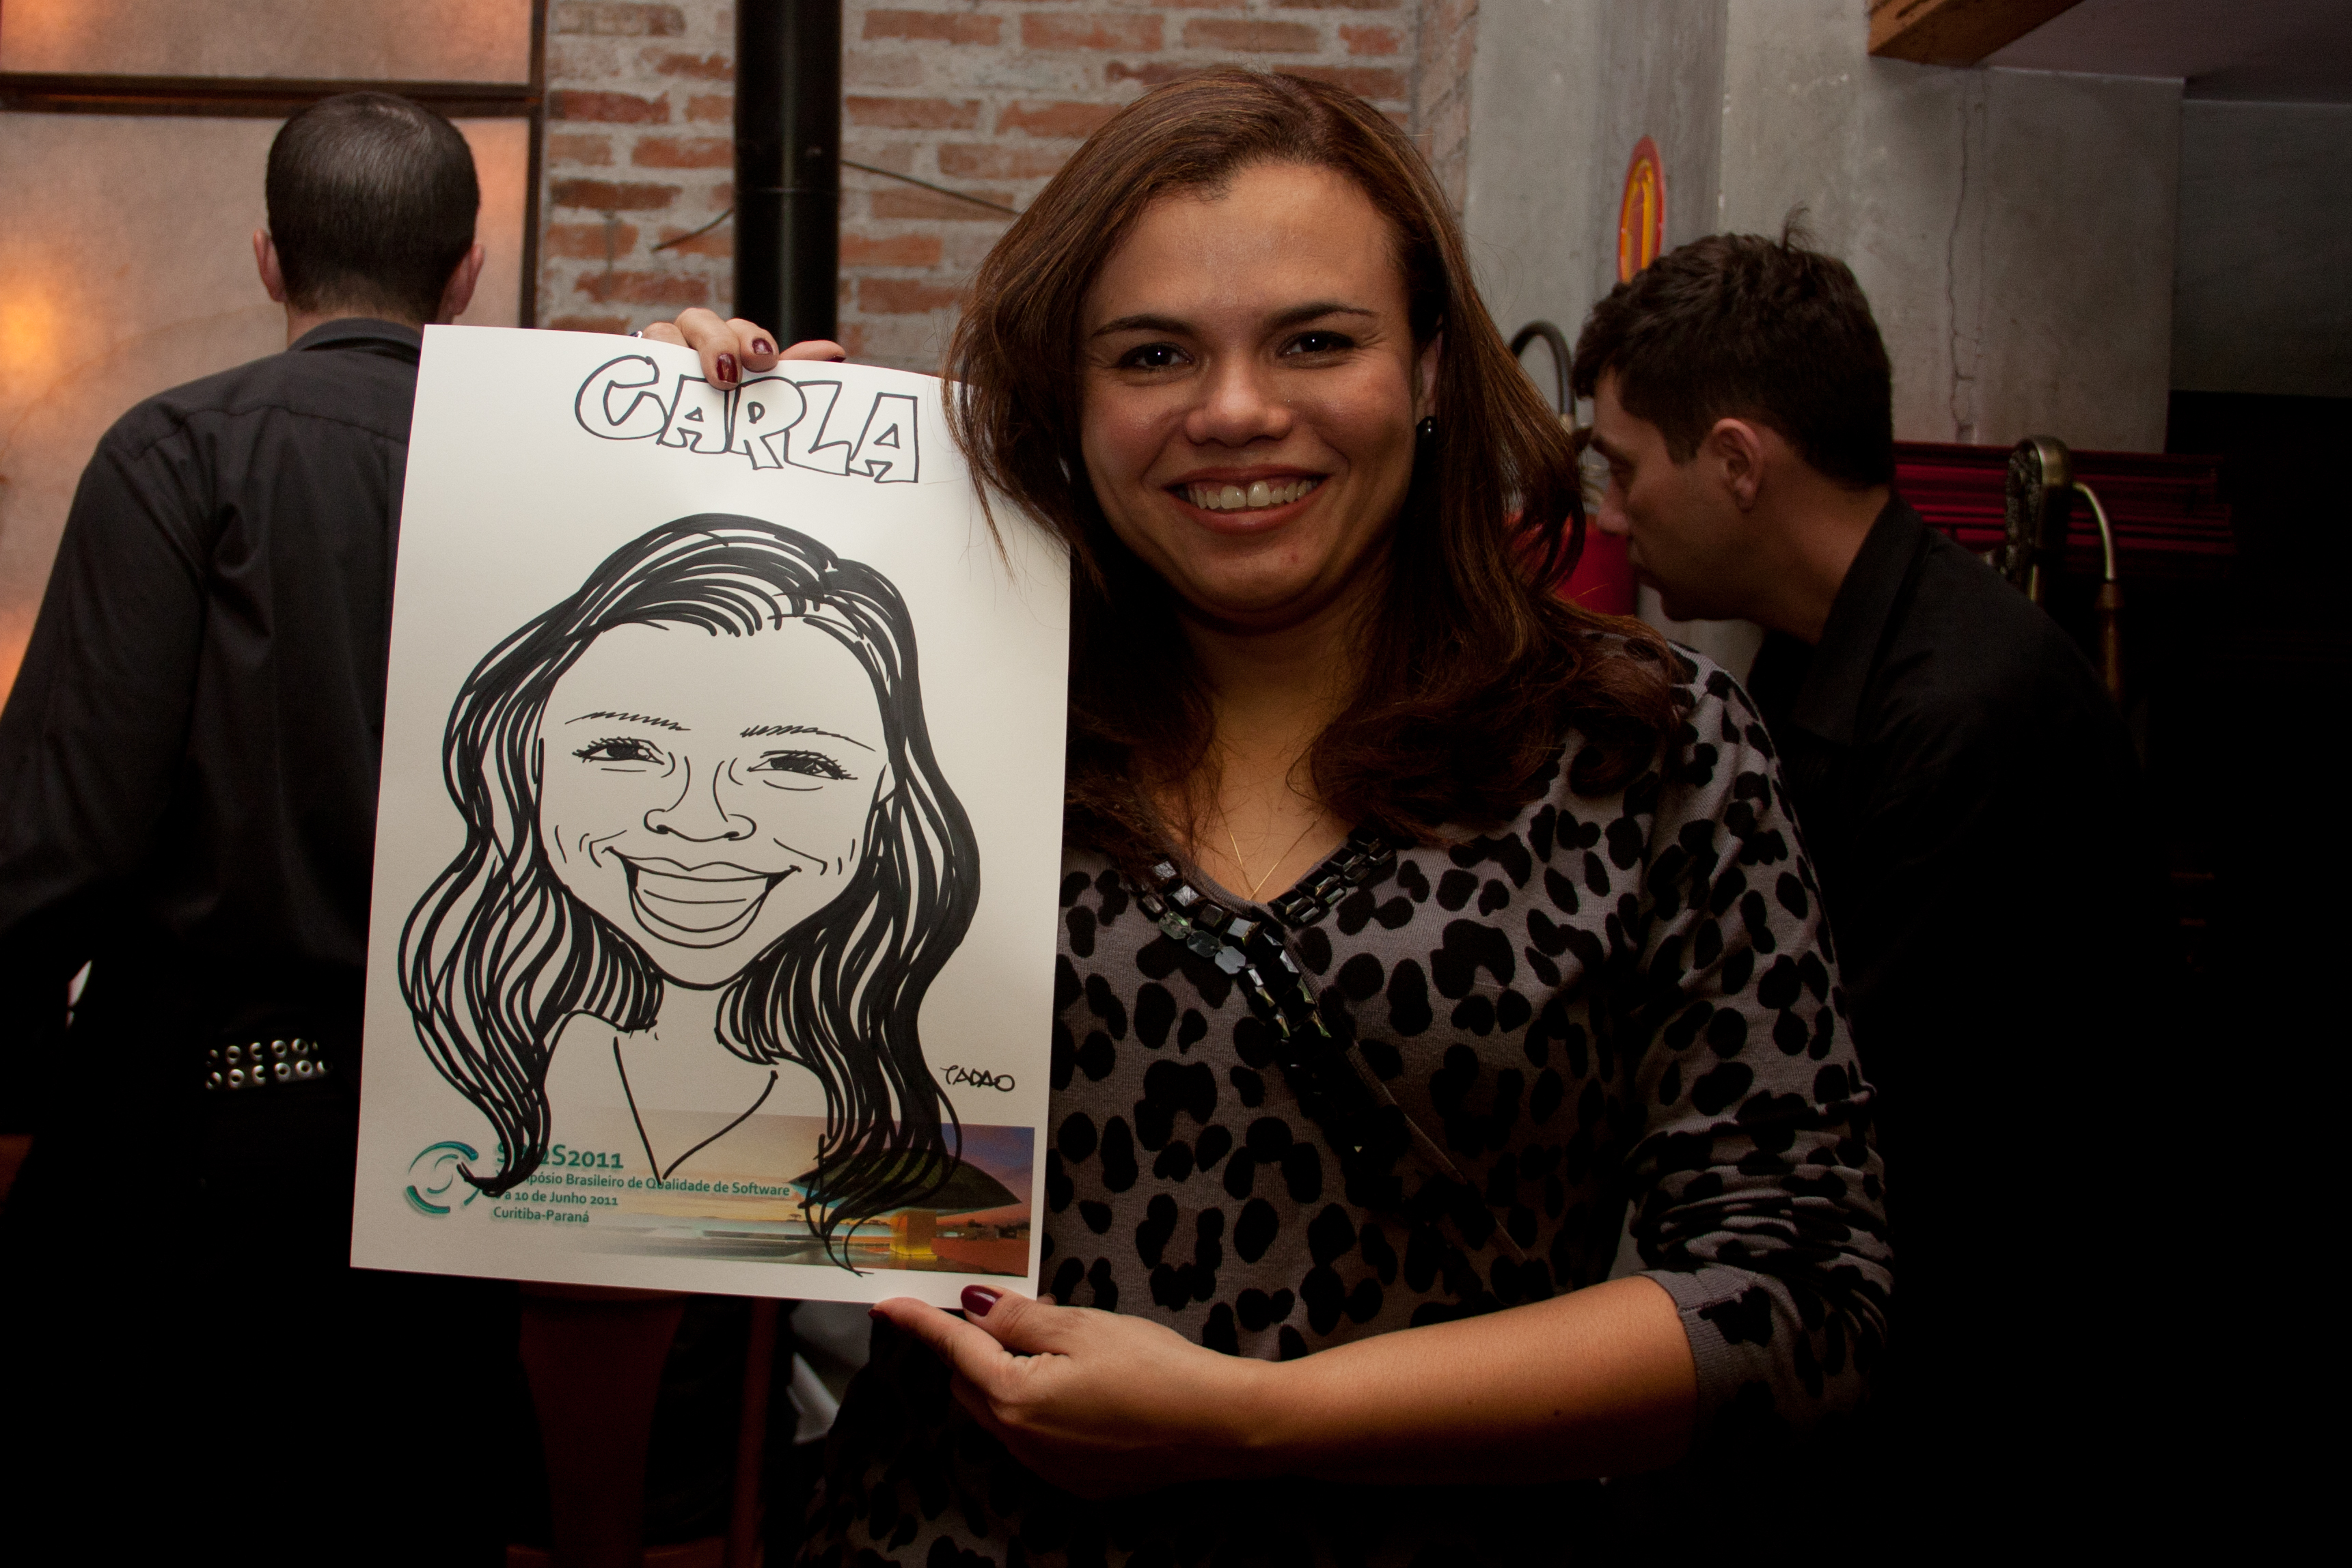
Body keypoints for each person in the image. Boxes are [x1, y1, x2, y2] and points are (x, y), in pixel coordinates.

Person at [657, 70, 1890, 1562]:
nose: (1235, 411)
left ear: (1427, 368)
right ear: (1069, 398)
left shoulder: (1643, 746)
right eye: (1153, 353)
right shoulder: (925, 725)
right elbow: (685, 1134)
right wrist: (652, 485)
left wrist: (1260, 1416)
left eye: (1315, 340)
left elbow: (1797, 1299)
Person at [0, 93, 820, 1560]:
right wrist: (758, 436)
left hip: (200, 1146)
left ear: (270, 256)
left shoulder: (177, 452)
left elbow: (60, 844)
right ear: (464, 270)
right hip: (480, 1147)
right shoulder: (574, 476)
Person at [1570, 230, 2164, 1536]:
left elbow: (1853, 1130)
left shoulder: (1963, 715)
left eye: (1623, 467)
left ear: (1736, 462)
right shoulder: (1814, 650)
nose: (1611, 515)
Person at [402, 514, 979, 1246]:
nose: (699, 821)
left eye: (797, 763)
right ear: (529, 761)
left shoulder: (906, 1117)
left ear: (886, 791)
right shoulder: (473, 1078)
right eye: (623, 748)